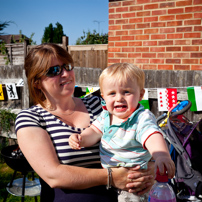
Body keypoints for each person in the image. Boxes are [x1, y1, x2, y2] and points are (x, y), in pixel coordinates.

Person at [15, 44, 155, 202]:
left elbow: (140, 130)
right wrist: (111, 177)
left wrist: (149, 168)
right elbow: (53, 176)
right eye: (54, 70)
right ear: (36, 82)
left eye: (67, 66)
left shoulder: (98, 105)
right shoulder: (30, 118)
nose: (66, 74)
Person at [69, 63, 175, 202]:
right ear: (104, 97)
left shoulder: (140, 117)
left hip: (134, 182)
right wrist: (81, 138)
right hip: (110, 182)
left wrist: (161, 155)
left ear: (141, 94)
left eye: (126, 92)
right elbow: (94, 131)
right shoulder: (105, 117)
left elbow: (152, 135)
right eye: (112, 93)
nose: (119, 98)